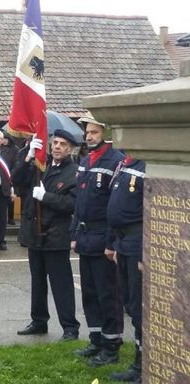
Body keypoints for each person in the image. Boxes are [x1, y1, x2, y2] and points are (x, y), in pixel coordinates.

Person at [12, 130, 80, 341]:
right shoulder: (41, 165)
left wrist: (46, 197)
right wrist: (28, 156)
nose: (57, 147)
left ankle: (70, 326)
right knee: (38, 282)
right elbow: (16, 178)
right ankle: (39, 321)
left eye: (62, 144)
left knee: (61, 284)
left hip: (56, 235)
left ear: (69, 149)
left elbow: (72, 204)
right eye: (55, 143)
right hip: (36, 234)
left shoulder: (75, 172)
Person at [71, 116, 125, 366]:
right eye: (87, 132)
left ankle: (112, 345)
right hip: (85, 236)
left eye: (94, 132)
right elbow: (79, 204)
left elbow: (115, 207)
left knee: (108, 294)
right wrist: (74, 235)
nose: (89, 136)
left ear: (106, 132)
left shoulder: (115, 161)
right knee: (90, 293)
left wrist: (111, 242)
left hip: (103, 236)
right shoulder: (85, 160)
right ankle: (96, 340)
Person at [107, 155, 145, 383]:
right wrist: (113, 244)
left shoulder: (146, 164)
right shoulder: (126, 164)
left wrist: (144, 253)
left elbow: (153, 212)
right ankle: (138, 363)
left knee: (140, 309)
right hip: (123, 241)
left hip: (137, 242)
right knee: (131, 304)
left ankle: (143, 365)